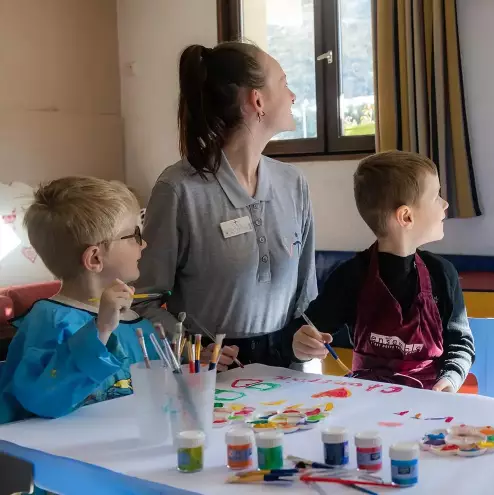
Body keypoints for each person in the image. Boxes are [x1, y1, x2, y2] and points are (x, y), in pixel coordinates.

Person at [135, 42, 316, 370]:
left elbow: (305, 298)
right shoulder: (178, 189)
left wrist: (306, 338)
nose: (292, 95)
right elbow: (143, 302)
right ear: (257, 100)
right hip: (212, 377)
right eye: (284, 82)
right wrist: (190, 348)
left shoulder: (294, 184)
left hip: (287, 377)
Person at [288, 151, 475, 392]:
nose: (445, 203)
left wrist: (450, 378)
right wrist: (301, 345)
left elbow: (460, 345)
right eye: (436, 196)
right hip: (369, 407)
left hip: (430, 405)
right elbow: (302, 332)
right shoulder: (351, 276)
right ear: (406, 216)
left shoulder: (442, 274)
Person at [0, 177, 160, 424]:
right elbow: (44, 400)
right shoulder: (50, 320)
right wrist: (101, 330)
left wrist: (198, 364)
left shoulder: (135, 320)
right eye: (134, 234)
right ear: (95, 258)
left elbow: (158, 386)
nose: (144, 243)